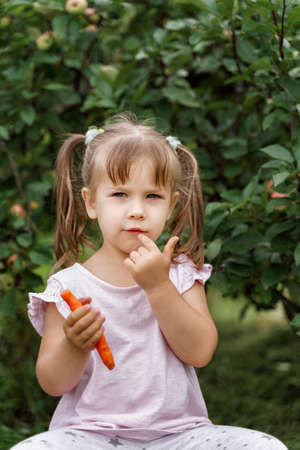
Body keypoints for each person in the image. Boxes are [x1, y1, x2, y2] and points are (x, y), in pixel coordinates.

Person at [12, 114, 287, 450]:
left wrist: (159, 286)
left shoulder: (180, 273)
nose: (137, 211)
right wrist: (73, 344)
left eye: (152, 197)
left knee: (265, 446)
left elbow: (200, 352)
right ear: (91, 202)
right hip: (92, 435)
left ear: (171, 205)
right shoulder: (69, 287)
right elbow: (52, 383)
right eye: (120, 195)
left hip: (179, 435)